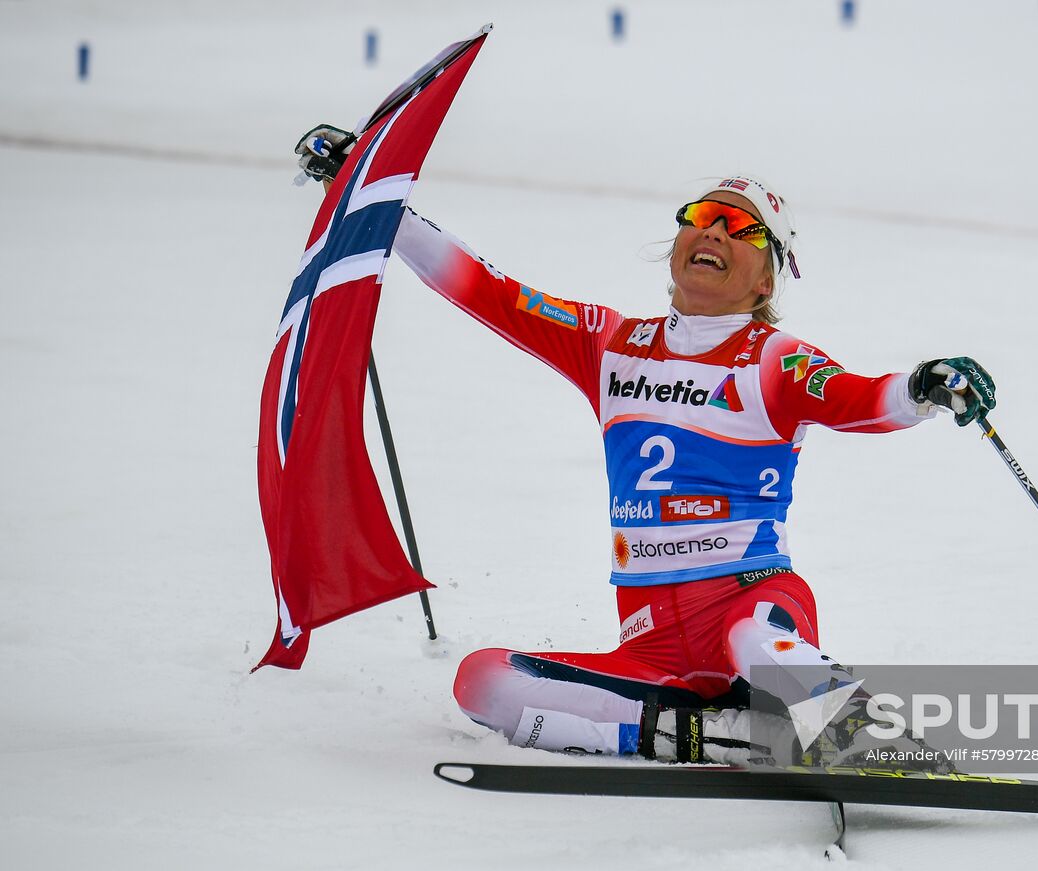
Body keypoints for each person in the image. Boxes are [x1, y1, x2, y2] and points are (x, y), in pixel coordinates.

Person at [297, 130, 996, 764]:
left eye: (740, 227)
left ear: (765, 279)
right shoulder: (610, 344)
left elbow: (859, 398)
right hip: (653, 651)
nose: (712, 230)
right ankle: (717, 737)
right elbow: (491, 292)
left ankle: (860, 735)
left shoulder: (773, 359)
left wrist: (923, 387)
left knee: (760, 645)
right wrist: (373, 202)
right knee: (482, 680)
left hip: (748, 604)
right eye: (699, 217)